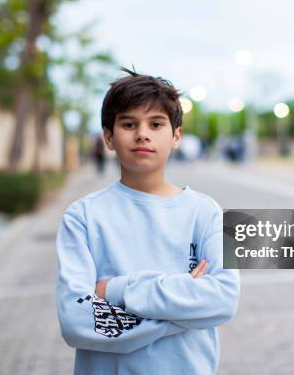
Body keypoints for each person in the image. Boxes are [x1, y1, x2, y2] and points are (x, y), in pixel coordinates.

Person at [56, 68, 240, 374]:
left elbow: (223, 301)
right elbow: (76, 322)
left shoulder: (207, 213)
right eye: (129, 124)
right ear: (109, 138)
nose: (142, 133)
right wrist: (184, 308)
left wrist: (116, 290)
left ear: (176, 136)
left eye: (156, 124)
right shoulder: (82, 217)